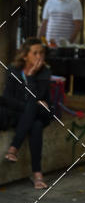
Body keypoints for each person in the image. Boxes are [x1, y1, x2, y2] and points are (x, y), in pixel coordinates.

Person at [1, 37, 54, 188]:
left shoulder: (45, 72)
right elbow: (7, 98)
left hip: (42, 113)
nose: (40, 57)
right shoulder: (13, 70)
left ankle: (14, 148)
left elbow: (39, 98)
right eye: (35, 53)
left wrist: (31, 76)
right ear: (25, 56)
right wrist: (29, 105)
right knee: (35, 124)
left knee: (35, 109)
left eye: (42, 53)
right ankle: (37, 174)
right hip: (24, 114)